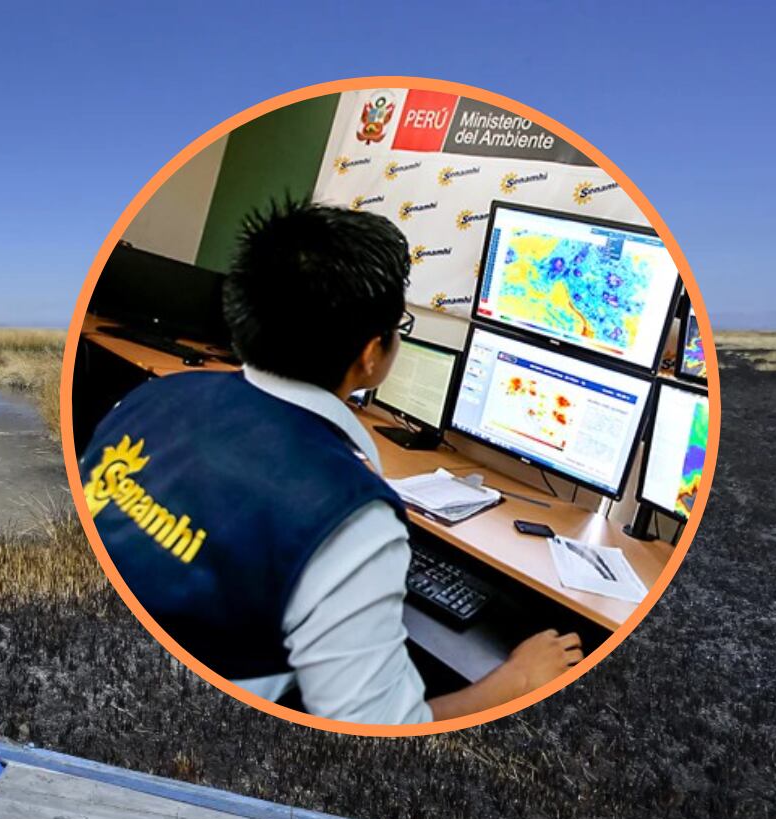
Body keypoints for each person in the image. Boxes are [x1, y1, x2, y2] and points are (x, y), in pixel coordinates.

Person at [80, 199, 581, 725]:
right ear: (372, 354)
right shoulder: (351, 518)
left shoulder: (153, 396)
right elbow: (370, 728)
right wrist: (516, 681)